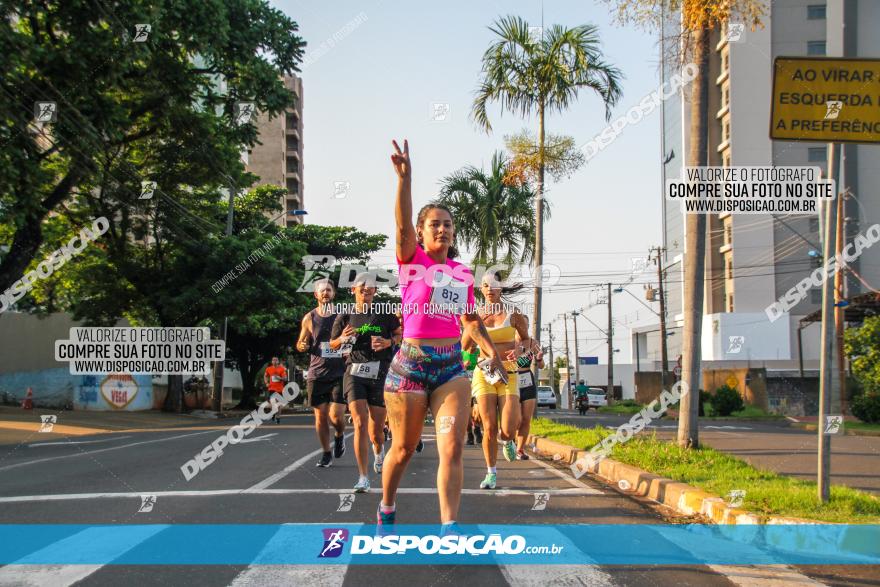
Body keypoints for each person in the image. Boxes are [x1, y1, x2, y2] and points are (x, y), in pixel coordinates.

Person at [379, 139, 506, 531]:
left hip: (450, 369)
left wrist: (490, 351)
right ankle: (386, 505)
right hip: (410, 369)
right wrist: (405, 179)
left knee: (451, 448)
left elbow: (470, 321)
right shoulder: (410, 259)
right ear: (421, 232)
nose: (443, 229)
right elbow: (401, 225)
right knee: (401, 449)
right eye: (435, 224)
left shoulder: (463, 273)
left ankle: (449, 527)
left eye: (448, 224)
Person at [330, 273, 402, 493]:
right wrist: (342, 339)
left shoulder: (384, 314)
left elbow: (400, 334)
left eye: (370, 287)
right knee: (360, 422)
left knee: (376, 430)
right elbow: (332, 345)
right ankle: (363, 477)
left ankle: (379, 451)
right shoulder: (345, 315)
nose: (366, 290)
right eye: (362, 286)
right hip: (354, 372)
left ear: (375, 291)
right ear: (353, 290)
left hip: (380, 371)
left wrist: (389, 341)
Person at [463, 271, 533, 490]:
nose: (490, 290)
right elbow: (465, 346)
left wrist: (520, 351)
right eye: (485, 286)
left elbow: (527, 341)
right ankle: (491, 473)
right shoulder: (474, 315)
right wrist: (475, 328)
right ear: (481, 289)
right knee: (489, 427)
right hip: (483, 373)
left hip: (509, 373)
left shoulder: (514, 315)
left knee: (508, 428)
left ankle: (510, 440)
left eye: (494, 285)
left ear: (501, 288)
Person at [296, 279, 347, 467]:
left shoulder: (342, 316)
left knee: (336, 416)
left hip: (339, 372)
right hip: (317, 373)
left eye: (329, 290)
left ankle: (340, 435)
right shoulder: (309, 318)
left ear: (333, 294)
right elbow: (301, 342)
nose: (325, 293)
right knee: (320, 416)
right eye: (322, 290)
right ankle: (326, 453)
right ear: (316, 295)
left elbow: (352, 337)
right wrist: (302, 345)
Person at [513, 321, 544, 460]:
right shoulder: (509, 341)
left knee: (526, 418)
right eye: (520, 325)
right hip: (512, 380)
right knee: (516, 419)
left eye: (525, 325)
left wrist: (539, 359)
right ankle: (510, 440)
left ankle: (520, 449)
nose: (522, 328)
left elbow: (541, 365)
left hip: (528, 380)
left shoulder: (533, 343)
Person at [263, 356, 288, 424]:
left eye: (276, 360)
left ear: (278, 361)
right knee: (273, 403)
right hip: (272, 388)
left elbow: (285, 378)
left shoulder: (282, 369)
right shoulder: (268, 369)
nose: (274, 361)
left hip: (280, 389)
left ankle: (278, 418)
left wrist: (280, 378)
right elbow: (265, 375)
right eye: (273, 360)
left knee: (279, 404)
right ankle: (274, 413)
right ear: (271, 361)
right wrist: (266, 383)